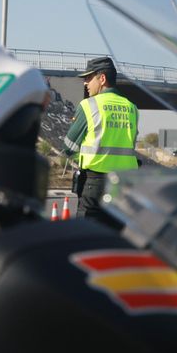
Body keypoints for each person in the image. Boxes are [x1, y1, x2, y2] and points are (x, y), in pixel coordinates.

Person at [64, 56, 139, 228]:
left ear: (102, 78)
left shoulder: (89, 105)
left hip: (94, 185)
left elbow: (68, 147)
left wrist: (81, 155)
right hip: (123, 186)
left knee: (86, 238)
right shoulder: (132, 108)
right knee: (114, 239)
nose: (85, 83)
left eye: (88, 78)